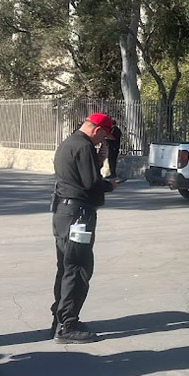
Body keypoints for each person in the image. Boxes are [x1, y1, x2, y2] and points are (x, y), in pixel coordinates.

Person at [51, 112, 119, 344]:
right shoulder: (84, 147)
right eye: (103, 135)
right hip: (78, 215)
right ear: (96, 129)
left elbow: (78, 175)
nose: (102, 140)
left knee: (66, 266)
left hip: (64, 212)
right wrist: (109, 185)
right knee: (78, 267)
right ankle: (67, 325)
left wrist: (99, 160)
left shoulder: (70, 143)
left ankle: (59, 318)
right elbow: (91, 183)